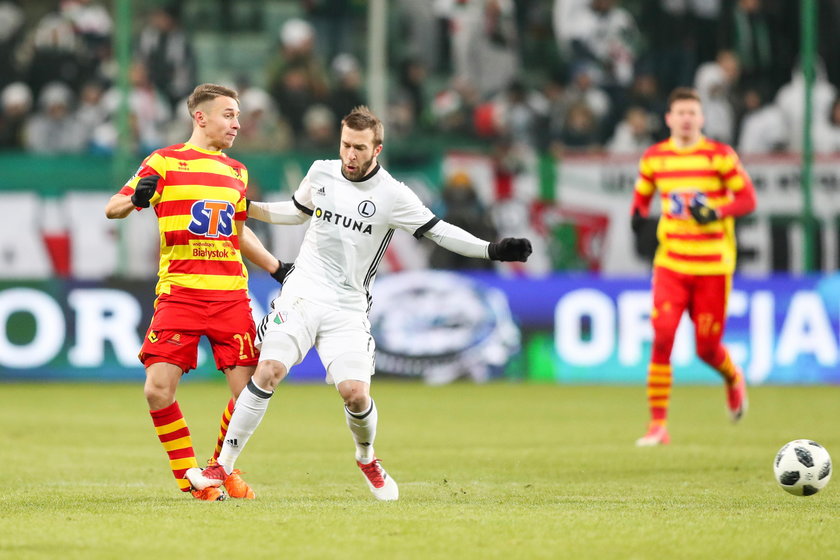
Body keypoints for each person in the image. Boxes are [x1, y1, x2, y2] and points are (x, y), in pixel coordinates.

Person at [189, 106, 532, 501]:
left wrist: (492, 249)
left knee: (355, 393)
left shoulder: (394, 195)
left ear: (377, 149)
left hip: (348, 306)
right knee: (268, 370)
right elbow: (297, 213)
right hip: (303, 290)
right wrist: (250, 208)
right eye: (345, 145)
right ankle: (221, 467)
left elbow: (439, 232)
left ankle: (367, 457)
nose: (349, 155)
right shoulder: (321, 172)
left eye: (359, 148)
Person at [104, 83, 291, 500]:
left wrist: (277, 267)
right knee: (156, 389)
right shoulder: (165, 162)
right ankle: (190, 477)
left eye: (238, 116)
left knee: (249, 394)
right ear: (200, 117)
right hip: (180, 294)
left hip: (230, 296)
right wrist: (137, 197)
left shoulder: (237, 172)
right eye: (229, 115)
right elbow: (112, 207)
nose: (237, 124)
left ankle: (217, 470)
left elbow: (239, 234)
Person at [630, 87, 756, 446]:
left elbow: (747, 199)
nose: (686, 119)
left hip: (713, 265)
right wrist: (637, 217)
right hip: (671, 262)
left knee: (706, 348)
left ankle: (733, 378)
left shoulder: (719, 156)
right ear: (669, 119)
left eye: (692, 113)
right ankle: (658, 426)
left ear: (701, 118)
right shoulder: (655, 158)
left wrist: (715, 212)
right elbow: (641, 196)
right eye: (680, 113)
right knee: (663, 336)